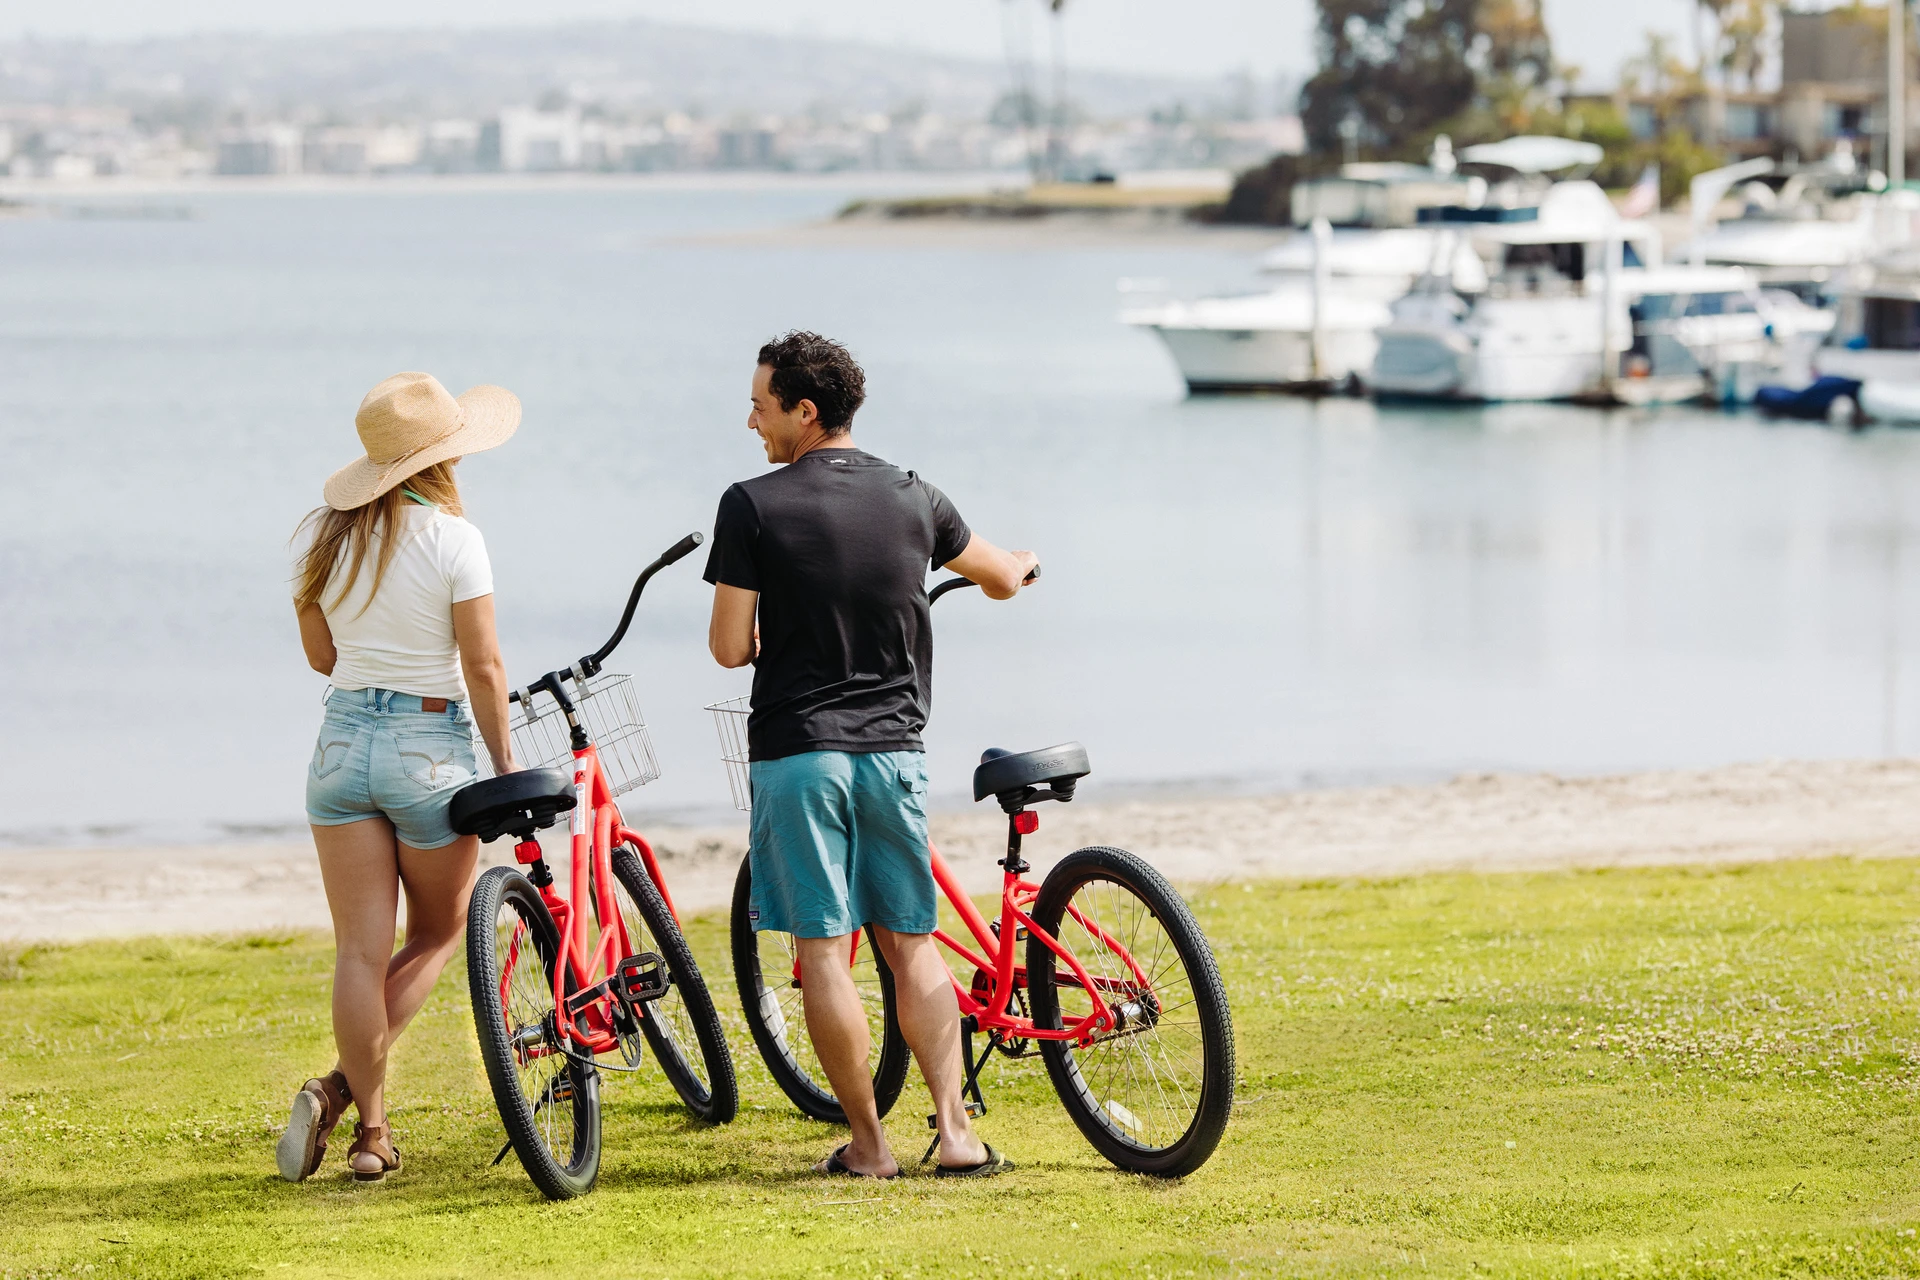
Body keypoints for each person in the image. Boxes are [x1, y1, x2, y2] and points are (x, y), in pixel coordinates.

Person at [705, 331, 1038, 1179]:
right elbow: (999, 576)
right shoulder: (912, 494)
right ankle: (957, 1134)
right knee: (912, 941)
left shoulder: (751, 503)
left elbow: (726, 648)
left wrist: (780, 625)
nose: (750, 419)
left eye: (760, 403)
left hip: (800, 754)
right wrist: (1023, 566)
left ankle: (871, 1145)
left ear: (804, 411)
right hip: (895, 753)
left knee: (823, 950)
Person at [277, 371, 521, 1184]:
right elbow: (483, 667)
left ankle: (373, 1128)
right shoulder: (457, 539)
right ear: (443, 458)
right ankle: (345, 1103)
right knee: (439, 932)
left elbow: (324, 658)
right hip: (428, 747)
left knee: (357, 952)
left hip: (341, 746)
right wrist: (507, 765)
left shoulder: (324, 540)